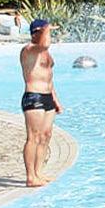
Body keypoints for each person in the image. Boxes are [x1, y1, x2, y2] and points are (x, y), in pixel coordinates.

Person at [20, 17, 65, 187]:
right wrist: (46, 29)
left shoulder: (46, 53)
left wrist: (55, 100)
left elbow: (49, 78)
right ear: (36, 33)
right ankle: (30, 176)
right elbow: (44, 44)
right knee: (33, 137)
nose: (49, 35)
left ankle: (39, 172)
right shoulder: (29, 50)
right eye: (46, 32)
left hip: (47, 98)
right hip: (34, 97)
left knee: (46, 136)